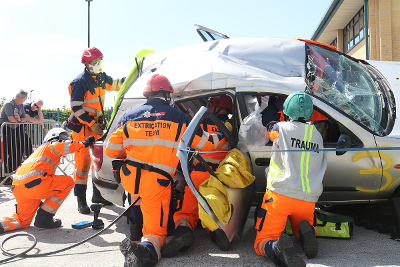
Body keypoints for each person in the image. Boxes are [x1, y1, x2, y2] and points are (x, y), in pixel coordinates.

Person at [105, 74, 228, 267]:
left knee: (140, 199)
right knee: (156, 232)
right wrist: (220, 136)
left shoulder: (129, 116)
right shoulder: (179, 118)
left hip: (129, 177)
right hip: (156, 182)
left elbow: (110, 150)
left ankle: (136, 233)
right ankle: (146, 251)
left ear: (147, 94)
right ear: (167, 95)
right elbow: (206, 143)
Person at [254, 91, 327, 267]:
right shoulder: (316, 135)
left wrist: (272, 109)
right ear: (310, 113)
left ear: (286, 111)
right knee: (299, 225)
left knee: (262, 242)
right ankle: (303, 235)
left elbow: (269, 128)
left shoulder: (280, 128)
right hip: (308, 199)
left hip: (281, 195)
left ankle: (276, 248)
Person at [161, 95, 233, 258]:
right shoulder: (230, 126)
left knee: (186, 211)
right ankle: (216, 233)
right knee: (211, 211)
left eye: (210, 104)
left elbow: (186, 143)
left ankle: (183, 234)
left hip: (199, 173)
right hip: (220, 177)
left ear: (216, 106)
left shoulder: (200, 123)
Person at [0, 128, 95, 233]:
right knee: (68, 182)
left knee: (23, 220)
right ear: (53, 138)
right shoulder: (51, 145)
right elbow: (66, 146)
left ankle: (1, 225)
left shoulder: (39, 152)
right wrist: (84, 144)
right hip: (34, 184)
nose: (65, 140)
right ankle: (44, 218)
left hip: (19, 188)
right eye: (63, 137)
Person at [68, 47, 125, 214]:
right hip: (83, 129)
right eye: (94, 62)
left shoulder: (100, 77)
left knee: (97, 163)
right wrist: (91, 123)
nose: (97, 64)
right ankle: (81, 201)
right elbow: (75, 109)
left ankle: (98, 196)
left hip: (97, 127)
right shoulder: (80, 82)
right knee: (82, 166)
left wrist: (133, 76)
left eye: (99, 61)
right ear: (86, 64)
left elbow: (115, 84)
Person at [0, 90, 28, 177]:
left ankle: (13, 173)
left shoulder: (21, 105)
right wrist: (19, 120)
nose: (25, 101)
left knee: (16, 151)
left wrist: (19, 120)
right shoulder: (9, 104)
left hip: (14, 131)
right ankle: (3, 175)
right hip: (5, 131)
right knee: (5, 153)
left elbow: (24, 118)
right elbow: (11, 120)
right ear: (22, 98)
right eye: (25, 99)